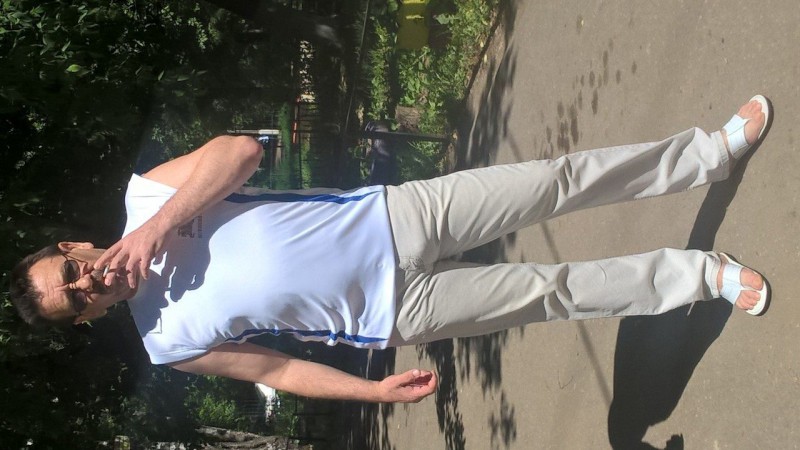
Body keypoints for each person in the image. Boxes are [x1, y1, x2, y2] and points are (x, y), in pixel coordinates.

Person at [10, 96, 771, 404]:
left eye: (70, 271)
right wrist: (369, 393)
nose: (84, 284)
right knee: (553, 292)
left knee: (554, 181)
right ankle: (701, 277)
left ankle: (708, 153)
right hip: (393, 310)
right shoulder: (165, 342)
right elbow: (273, 369)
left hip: (397, 216)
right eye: (75, 301)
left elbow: (241, 151)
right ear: (87, 319)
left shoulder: (147, 198)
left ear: (74, 247)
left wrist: (153, 231)